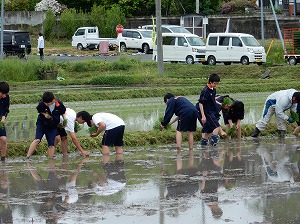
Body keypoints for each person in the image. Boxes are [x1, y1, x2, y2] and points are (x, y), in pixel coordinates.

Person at [26, 92, 66, 159]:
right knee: (37, 140)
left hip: (52, 126)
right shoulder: (42, 103)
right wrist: (44, 114)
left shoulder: (59, 104)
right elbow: (39, 110)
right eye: (45, 103)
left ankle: (51, 161)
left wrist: (65, 121)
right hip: (42, 124)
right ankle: (27, 157)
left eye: (48, 103)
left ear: (53, 100)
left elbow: (63, 112)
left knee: (51, 145)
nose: (47, 104)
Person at [197, 73, 222, 146]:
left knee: (207, 131)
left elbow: (213, 99)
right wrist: (203, 116)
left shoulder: (213, 89)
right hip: (207, 112)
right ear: (210, 82)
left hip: (213, 111)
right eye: (214, 83)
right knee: (216, 127)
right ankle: (213, 147)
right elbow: (201, 103)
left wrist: (220, 104)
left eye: (217, 84)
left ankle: (203, 148)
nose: (215, 85)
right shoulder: (205, 90)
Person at [0, 82, 10, 162]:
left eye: (5, 94)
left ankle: (3, 159)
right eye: (2, 94)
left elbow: (6, 109)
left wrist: (3, 117)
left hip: (0, 121)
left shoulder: (6, 97)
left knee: (3, 139)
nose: (4, 96)